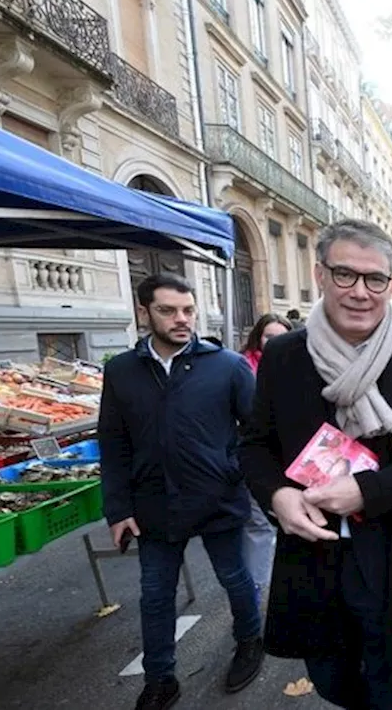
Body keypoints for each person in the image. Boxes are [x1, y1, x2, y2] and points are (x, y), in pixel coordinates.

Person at [240, 219, 392, 709]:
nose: (360, 292)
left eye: (374, 279)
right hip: (314, 559)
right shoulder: (283, 356)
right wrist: (278, 497)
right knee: (333, 684)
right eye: (345, 275)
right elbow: (254, 446)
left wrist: (369, 490)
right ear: (320, 275)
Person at [99, 273, 264, 710]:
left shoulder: (226, 365)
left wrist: (234, 470)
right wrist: (117, 509)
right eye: (168, 310)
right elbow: (112, 443)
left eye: (188, 310)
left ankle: (250, 640)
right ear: (143, 312)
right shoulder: (120, 371)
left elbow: (258, 431)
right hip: (153, 503)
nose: (182, 319)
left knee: (234, 577)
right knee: (155, 594)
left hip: (217, 496)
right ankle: (160, 679)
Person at [237, 314, 293, 597]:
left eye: (282, 336)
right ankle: (255, 590)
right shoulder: (243, 368)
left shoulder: (298, 365)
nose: (275, 342)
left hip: (291, 459)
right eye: (269, 336)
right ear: (258, 337)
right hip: (257, 457)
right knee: (258, 523)